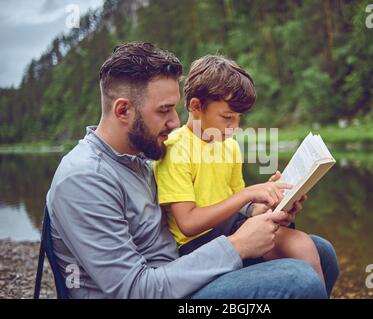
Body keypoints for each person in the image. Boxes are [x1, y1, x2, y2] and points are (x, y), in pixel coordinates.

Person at [46, 42, 339, 298]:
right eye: (163, 110)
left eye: (175, 108)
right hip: (159, 290)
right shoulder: (85, 179)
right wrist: (237, 246)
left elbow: (201, 209)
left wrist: (257, 211)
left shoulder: (140, 157)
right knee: (298, 281)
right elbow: (135, 291)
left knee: (321, 253)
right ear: (123, 111)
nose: (176, 121)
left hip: (178, 273)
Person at [153, 55, 325, 283]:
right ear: (196, 107)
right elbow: (188, 224)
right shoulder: (175, 149)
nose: (234, 127)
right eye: (227, 117)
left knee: (316, 248)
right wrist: (248, 193)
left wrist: (267, 204)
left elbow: (239, 208)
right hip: (197, 249)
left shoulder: (229, 146)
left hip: (230, 230)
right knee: (300, 246)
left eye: (238, 118)